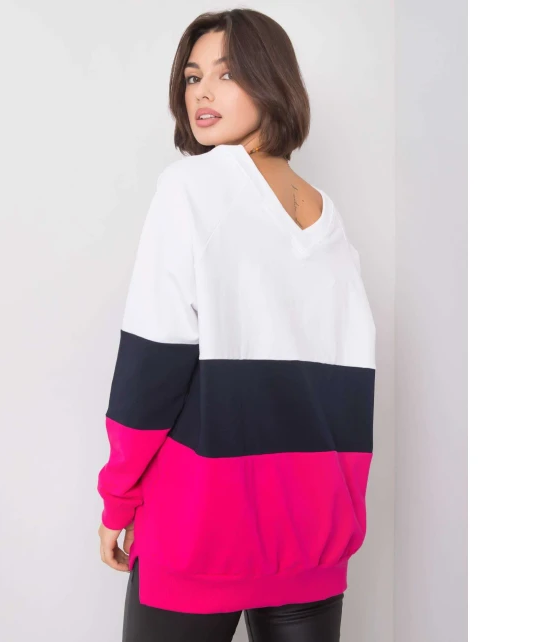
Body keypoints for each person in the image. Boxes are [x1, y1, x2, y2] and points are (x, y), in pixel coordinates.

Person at [97, 8, 376, 642]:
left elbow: (151, 367)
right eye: (193, 77)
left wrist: (118, 499)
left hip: (200, 532)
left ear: (271, 80)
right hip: (313, 535)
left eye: (227, 74)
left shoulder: (189, 187)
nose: (203, 92)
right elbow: (349, 391)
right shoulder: (327, 217)